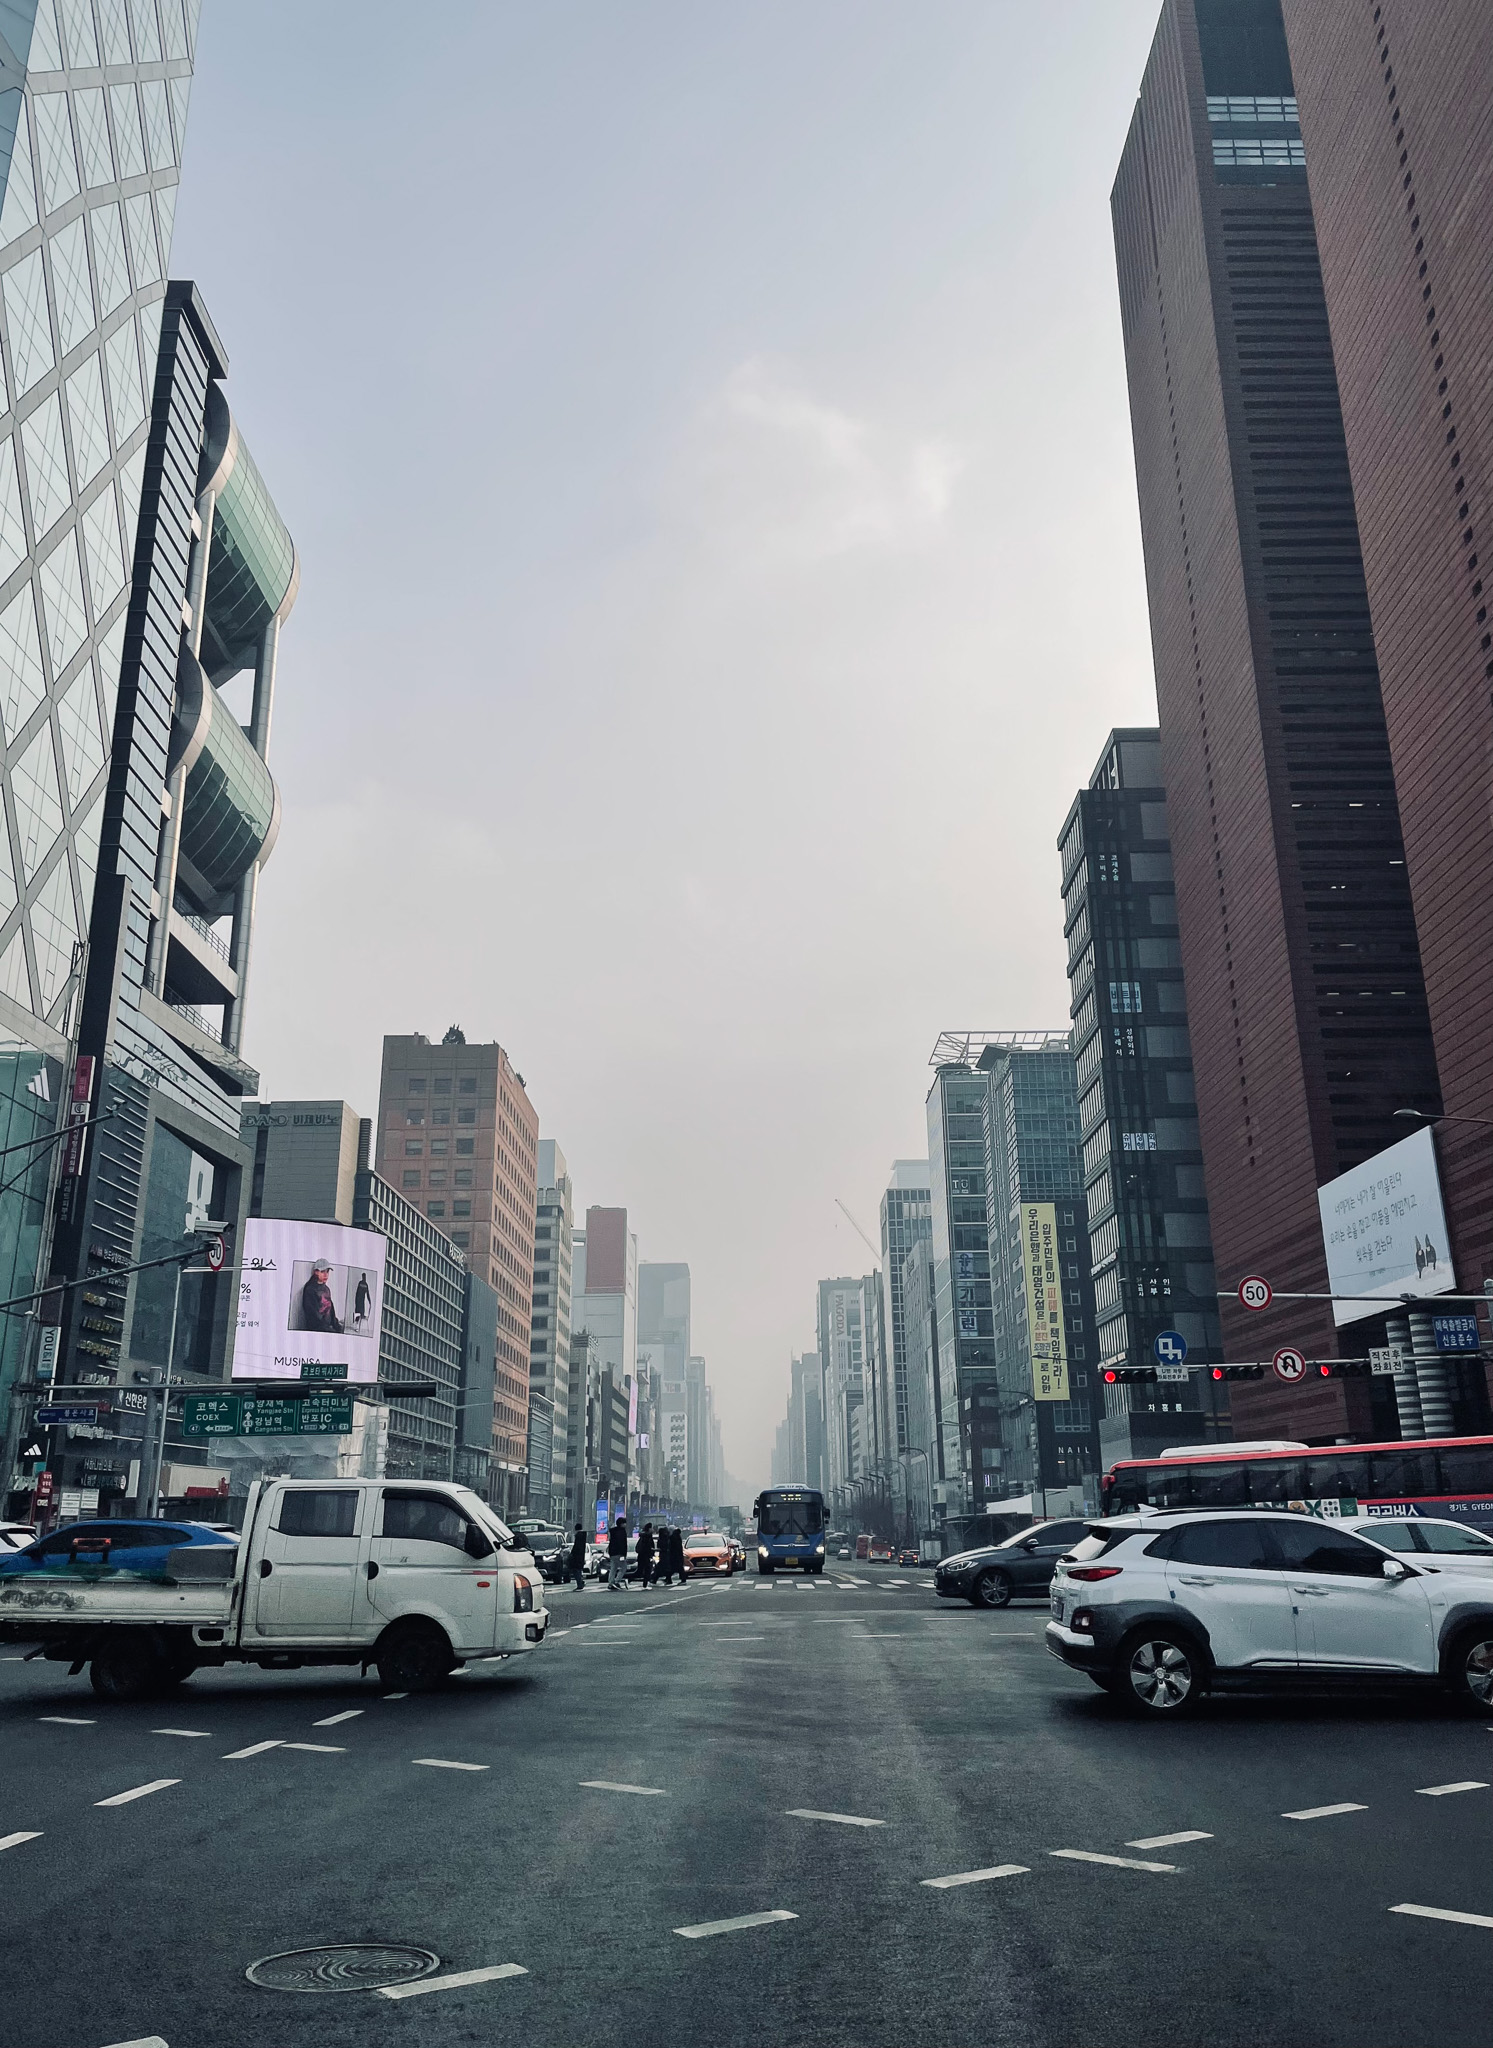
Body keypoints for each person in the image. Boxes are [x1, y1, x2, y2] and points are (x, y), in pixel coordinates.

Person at [300, 1260, 342, 1334]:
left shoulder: (326, 1289)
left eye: (327, 1271)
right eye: (322, 1271)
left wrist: (337, 1326)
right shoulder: (310, 1290)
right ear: (316, 1272)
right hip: (318, 1330)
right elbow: (313, 1316)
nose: (326, 1275)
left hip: (328, 1327)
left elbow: (331, 1309)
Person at [607, 1514, 629, 1590]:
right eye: (624, 1523)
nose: (625, 1525)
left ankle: (611, 1583)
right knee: (624, 1567)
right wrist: (624, 1554)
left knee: (613, 1568)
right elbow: (622, 1543)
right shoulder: (622, 1532)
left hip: (612, 1553)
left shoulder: (613, 1531)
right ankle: (617, 1581)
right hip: (619, 1553)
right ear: (621, 1524)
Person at [566, 1523, 587, 1593]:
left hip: (576, 1557)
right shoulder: (583, 1535)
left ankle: (580, 1584)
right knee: (579, 1570)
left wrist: (572, 1554)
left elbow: (576, 1547)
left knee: (576, 1570)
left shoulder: (578, 1536)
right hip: (581, 1556)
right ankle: (581, 1582)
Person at [636, 1522, 655, 1589]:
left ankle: (645, 1583)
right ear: (649, 1529)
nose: (653, 1529)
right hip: (646, 1556)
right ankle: (645, 1584)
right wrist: (651, 1550)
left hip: (641, 1556)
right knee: (647, 1570)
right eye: (652, 1528)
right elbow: (648, 1547)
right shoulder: (648, 1537)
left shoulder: (642, 1536)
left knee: (641, 1570)